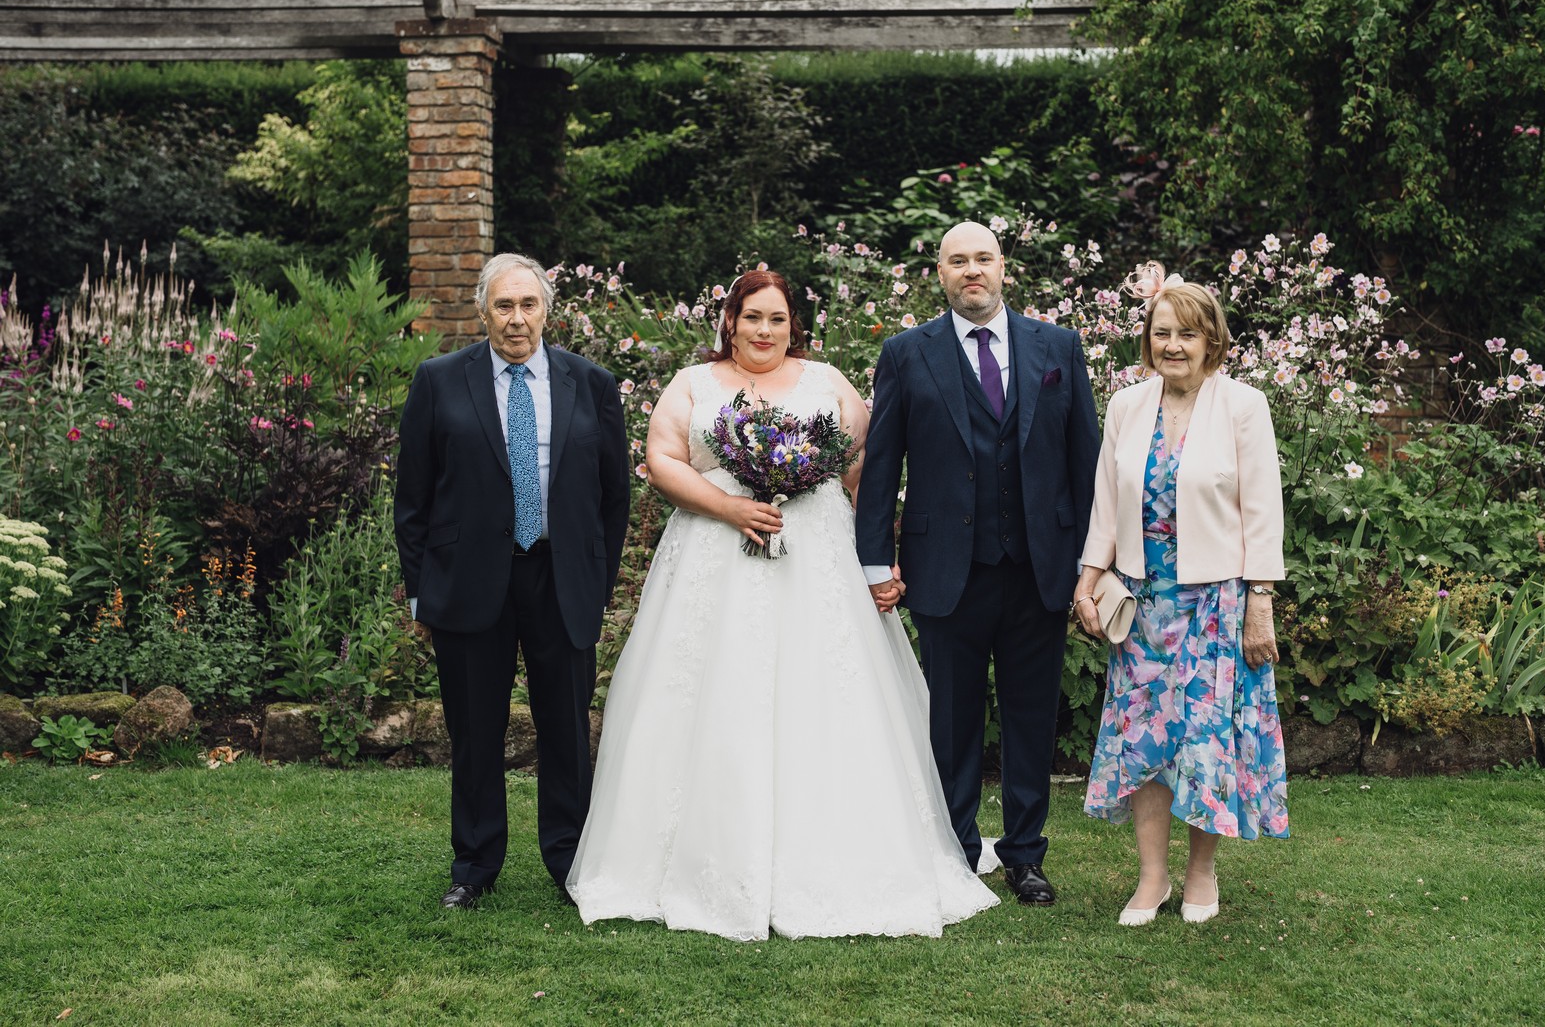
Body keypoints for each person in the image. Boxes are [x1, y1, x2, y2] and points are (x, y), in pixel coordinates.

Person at [566, 269, 998, 941]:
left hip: (816, 560)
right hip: (713, 556)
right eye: (751, 317)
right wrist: (731, 505)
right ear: (729, 322)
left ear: (794, 323)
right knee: (708, 698)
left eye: (776, 318)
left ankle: (836, 856)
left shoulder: (826, 381)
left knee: (826, 697)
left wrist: (879, 561)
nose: (764, 329)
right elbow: (662, 459)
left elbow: (865, 468)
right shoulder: (693, 383)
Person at [854, 222, 1101, 906]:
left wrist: (1094, 562)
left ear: (1003, 269)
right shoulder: (907, 353)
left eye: (983, 259)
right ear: (938, 272)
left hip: (1039, 566)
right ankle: (955, 849)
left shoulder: (1058, 348)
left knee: (1030, 718)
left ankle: (1025, 855)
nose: (972, 271)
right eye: (958, 260)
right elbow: (881, 467)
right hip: (943, 566)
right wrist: (876, 560)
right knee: (952, 719)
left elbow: (1088, 462)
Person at [395, 252, 631, 909]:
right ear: (483, 310)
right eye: (504, 305)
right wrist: (421, 590)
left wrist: (598, 579)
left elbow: (615, 498)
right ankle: (473, 866)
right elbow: (411, 499)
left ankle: (570, 864)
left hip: (561, 580)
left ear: (547, 310)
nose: (517, 318)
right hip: (470, 585)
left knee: (566, 730)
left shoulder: (591, 383)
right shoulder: (440, 381)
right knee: (475, 730)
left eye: (529, 305)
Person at [1074, 264, 1289, 927]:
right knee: (1143, 740)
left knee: (1204, 742)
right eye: (1162, 332)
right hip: (1142, 602)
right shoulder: (1127, 406)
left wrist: (1260, 600)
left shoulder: (1244, 406)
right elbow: (1107, 505)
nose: (1173, 345)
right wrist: (1088, 577)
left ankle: (1201, 871)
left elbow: (1262, 509)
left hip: (1215, 603)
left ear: (1211, 342)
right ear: (1148, 340)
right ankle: (1151, 878)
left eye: (1187, 335)